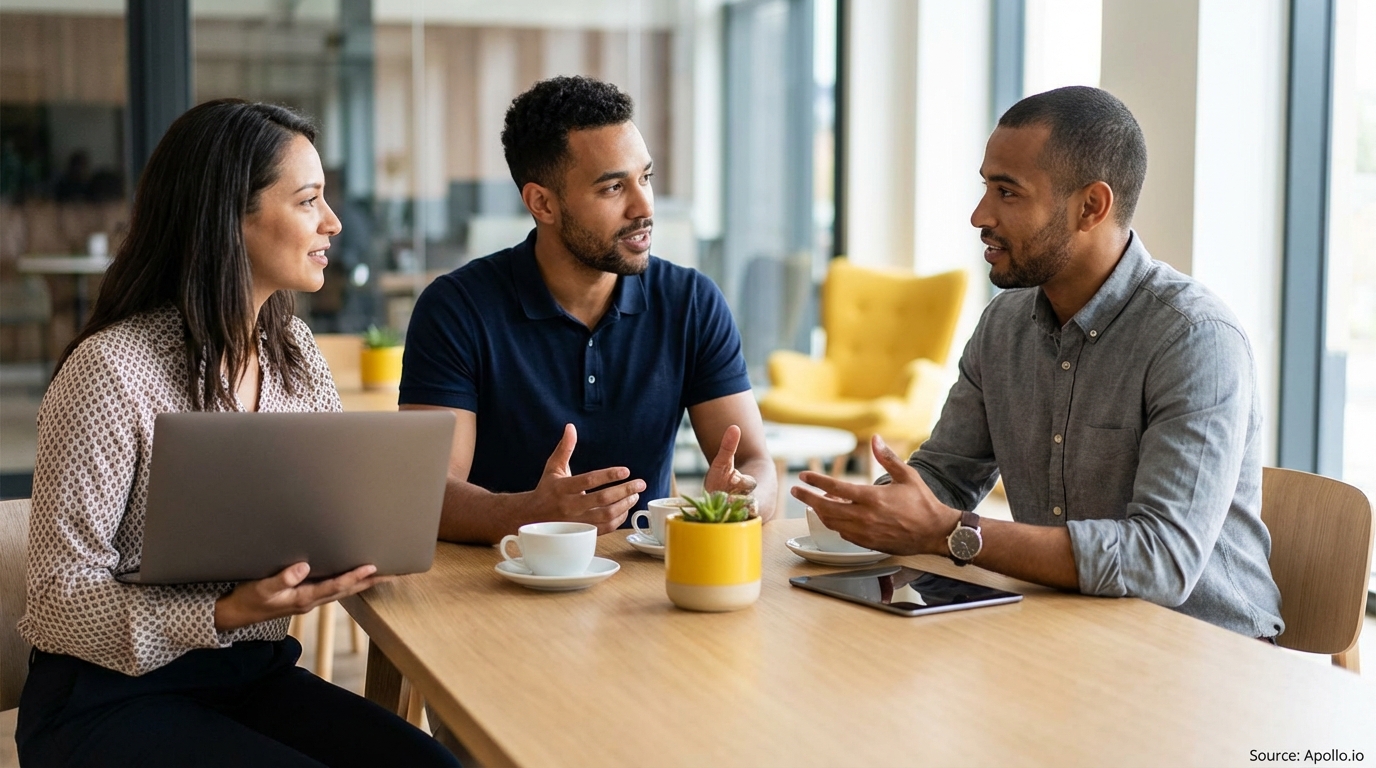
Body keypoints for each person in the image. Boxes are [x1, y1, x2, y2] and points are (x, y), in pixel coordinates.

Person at [16, 99, 459, 767]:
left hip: (249, 677)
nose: (334, 223)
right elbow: (56, 603)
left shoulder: (296, 354)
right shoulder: (111, 371)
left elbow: (327, 516)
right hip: (108, 699)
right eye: (309, 200)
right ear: (231, 219)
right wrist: (222, 611)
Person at [794, 86, 1284, 640]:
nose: (980, 215)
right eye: (985, 187)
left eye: (1007, 193)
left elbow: (1160, 563)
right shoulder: (1004, 325)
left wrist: (952, 532)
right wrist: (873, 503)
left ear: (1091, 207)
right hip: (1069, 624)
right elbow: (946, 477)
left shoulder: (1195, 340)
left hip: (1205, 649)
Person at [400, 76, 775, 544]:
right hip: (497, 583)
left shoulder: (692, 302)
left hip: (644, 590)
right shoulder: (456, 309)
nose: (644, 206)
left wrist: (746, 498)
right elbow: (428, 496)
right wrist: (531, 513)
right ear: (542, 203)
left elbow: (756, 463)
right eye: (613, 188)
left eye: (646, 177)